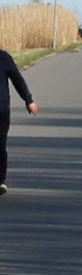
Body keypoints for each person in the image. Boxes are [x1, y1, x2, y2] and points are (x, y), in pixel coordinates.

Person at [0, 48, 39, 195]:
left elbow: (17, 80)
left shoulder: (4, 58)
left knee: (0, 145)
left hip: (1, 111)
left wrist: (28, 100)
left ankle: (0, 180)